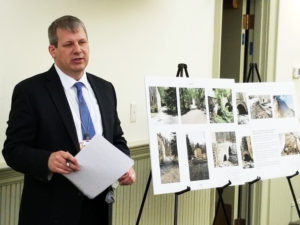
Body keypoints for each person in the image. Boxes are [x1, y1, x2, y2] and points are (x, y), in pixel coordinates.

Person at [2, 15, 136, 225]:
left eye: (82, 42)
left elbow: (117, 140)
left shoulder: (105, 88)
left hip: (99, 208)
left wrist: (125, 165)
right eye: (68, 44)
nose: (78, 49)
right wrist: (47, 160)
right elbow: (12, 150)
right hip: (51, 211)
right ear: (52, 51)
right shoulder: (30, 91)